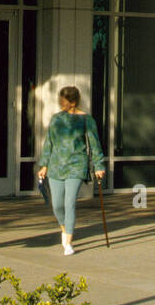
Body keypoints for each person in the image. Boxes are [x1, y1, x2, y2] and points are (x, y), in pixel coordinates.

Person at [37, 85, 105, 255]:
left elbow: (95, 144)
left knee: (69, 203)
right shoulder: (56, 119)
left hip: (76, 165)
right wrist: (44, 164)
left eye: (65, 100)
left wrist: (99, 165)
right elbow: (49, 142)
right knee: (57, 205)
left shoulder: (86, 120)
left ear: (73, 101)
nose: (62, 103)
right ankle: (64, 228)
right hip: (56, 165)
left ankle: (68, 242)